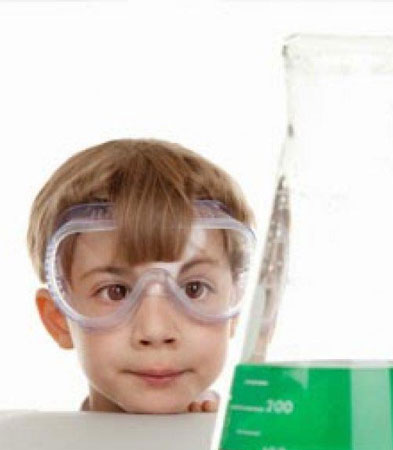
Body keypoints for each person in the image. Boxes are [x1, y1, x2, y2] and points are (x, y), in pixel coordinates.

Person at [27, 139, 255, 413]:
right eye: (116, 291)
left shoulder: (253, 436)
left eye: (194, 288)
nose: (155, 331)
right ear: (58, 319)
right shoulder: (26, 440)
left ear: (234, 310)